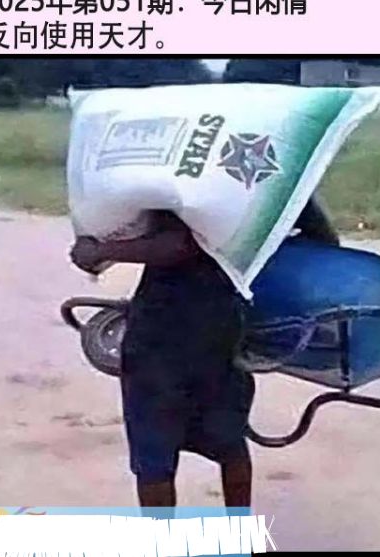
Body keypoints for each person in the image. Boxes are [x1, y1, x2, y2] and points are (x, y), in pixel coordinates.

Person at [69, 195, 339, 509]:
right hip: (227, 323)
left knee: (154, 451)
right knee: (229, 437)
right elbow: (323, 239)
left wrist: (102, 251)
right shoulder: (273, 180)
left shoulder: (182, 180)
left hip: (161, 332)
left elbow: (179, 245)